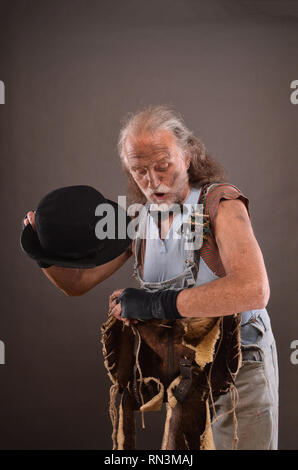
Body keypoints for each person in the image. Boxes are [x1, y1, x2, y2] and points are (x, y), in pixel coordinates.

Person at [24, 105, 279, 450]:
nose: (153, 181)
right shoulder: (138, 221)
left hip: (238, 371)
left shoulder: (220, 204)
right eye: (140, 171)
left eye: (163, 166)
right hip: (187, 377)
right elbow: (77, 284)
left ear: (188, 156)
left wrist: (155, 303)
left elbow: (254, 289)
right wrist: (39, 245)